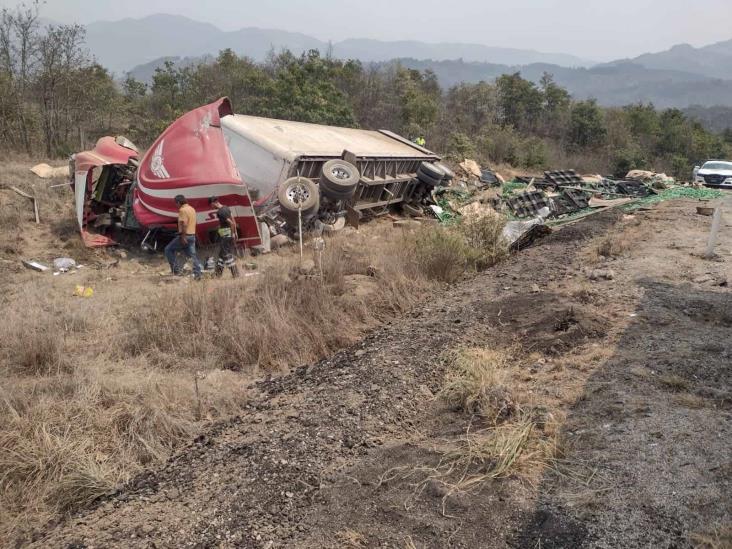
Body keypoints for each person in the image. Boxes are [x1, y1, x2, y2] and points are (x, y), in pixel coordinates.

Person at [165, 194, 202, 279]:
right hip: (192, 235)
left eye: (176, 203)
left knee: (168, 249)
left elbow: (184, 224)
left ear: (178, 202)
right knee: (191, 255)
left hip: (186, 236)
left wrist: (183, 236)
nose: (176, 205)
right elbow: (194, 222)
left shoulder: (183, 210)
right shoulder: (192, 209)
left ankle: (176, 271)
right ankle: (198, 273)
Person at [209, 196, 240, 278]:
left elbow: (231, 223)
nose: (211, 207)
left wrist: (233, 234)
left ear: (213, 203)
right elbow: (233, 219)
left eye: (211, 205)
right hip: (228, 233)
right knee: (222, 254)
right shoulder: (226, 207)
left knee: (226, 254)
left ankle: (235, 273)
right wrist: (235, 232)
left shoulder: (220, 212)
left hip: (225, 235)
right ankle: (218, 274)